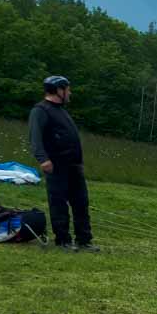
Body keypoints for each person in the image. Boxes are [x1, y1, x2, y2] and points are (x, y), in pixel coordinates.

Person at [29, 75, 98, 252]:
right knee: (58, 203)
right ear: (59, 90)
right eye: (68, 89)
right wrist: (43, 159)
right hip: (56, 164)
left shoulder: (61, 110)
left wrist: (79, 161)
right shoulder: (41, 110)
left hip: (73, 165)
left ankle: (84, 240)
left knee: (81, 202)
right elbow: (35, 137)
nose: (70, 93)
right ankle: (63, 241)